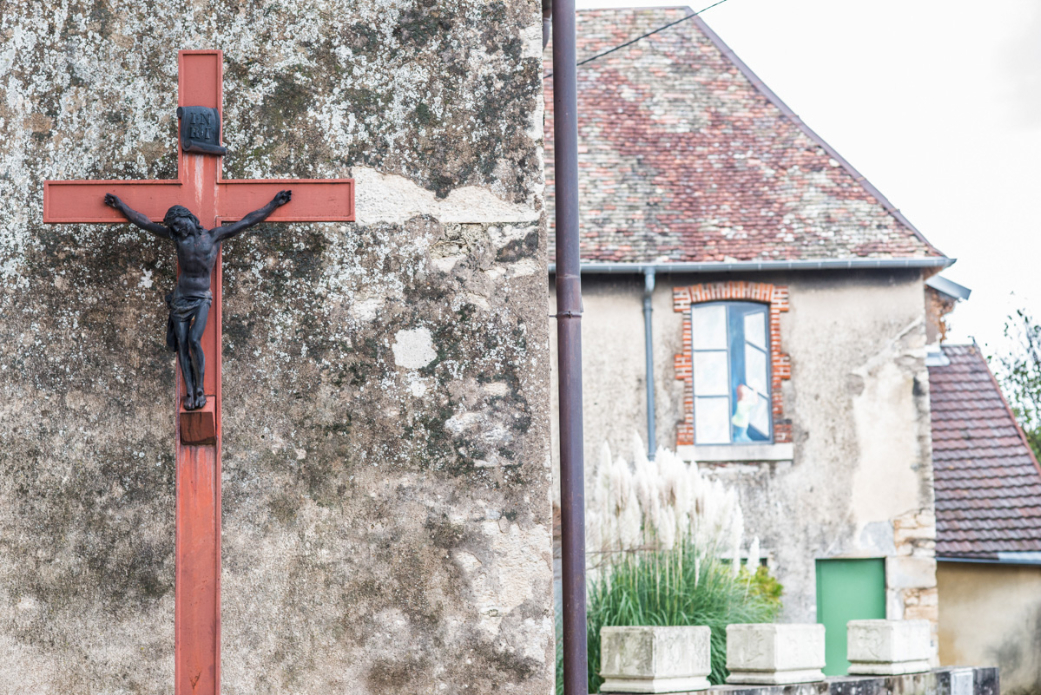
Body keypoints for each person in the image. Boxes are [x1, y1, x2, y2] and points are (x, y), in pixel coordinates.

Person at [103, 190, 292, 410]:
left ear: (188, 217)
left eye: (178, 223)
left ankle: (200, 388)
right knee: (182, 345)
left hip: (201, 297)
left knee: (194, 340)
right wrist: (120, 206)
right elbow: (144, 222)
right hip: (181, 298)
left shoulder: (213, 236)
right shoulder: (177, 239)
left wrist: (274, 204)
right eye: (173, 226)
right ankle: (190, 392)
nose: (177, 229)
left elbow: (248, 221)